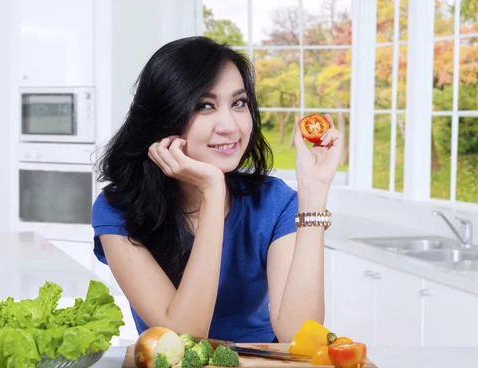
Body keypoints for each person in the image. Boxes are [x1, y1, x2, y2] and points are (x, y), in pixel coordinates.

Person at [92, 36, 343, 344]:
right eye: (205, 106)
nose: (230, 126)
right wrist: (212, 191)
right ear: (164, 117)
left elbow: (298, 335)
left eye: (239, 103)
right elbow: (184, 338)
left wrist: (314, 190)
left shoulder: (273, 203)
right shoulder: (119, 208)